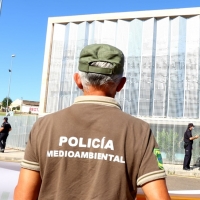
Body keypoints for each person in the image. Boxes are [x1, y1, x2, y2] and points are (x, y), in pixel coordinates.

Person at [14, 44, 170, 200]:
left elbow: (25, 194)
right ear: (121, 84)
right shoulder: (139, 130)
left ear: (78, 80)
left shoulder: (44, 126)